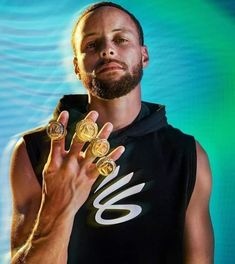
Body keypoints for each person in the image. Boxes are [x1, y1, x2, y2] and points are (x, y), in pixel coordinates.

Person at [10, 2, 214, 263]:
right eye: (92, 45)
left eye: (121, 39)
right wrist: (58, 207)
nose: (107, 50)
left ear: (144, 56)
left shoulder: (188, 154)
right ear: (76, 67)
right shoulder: (36, 150)